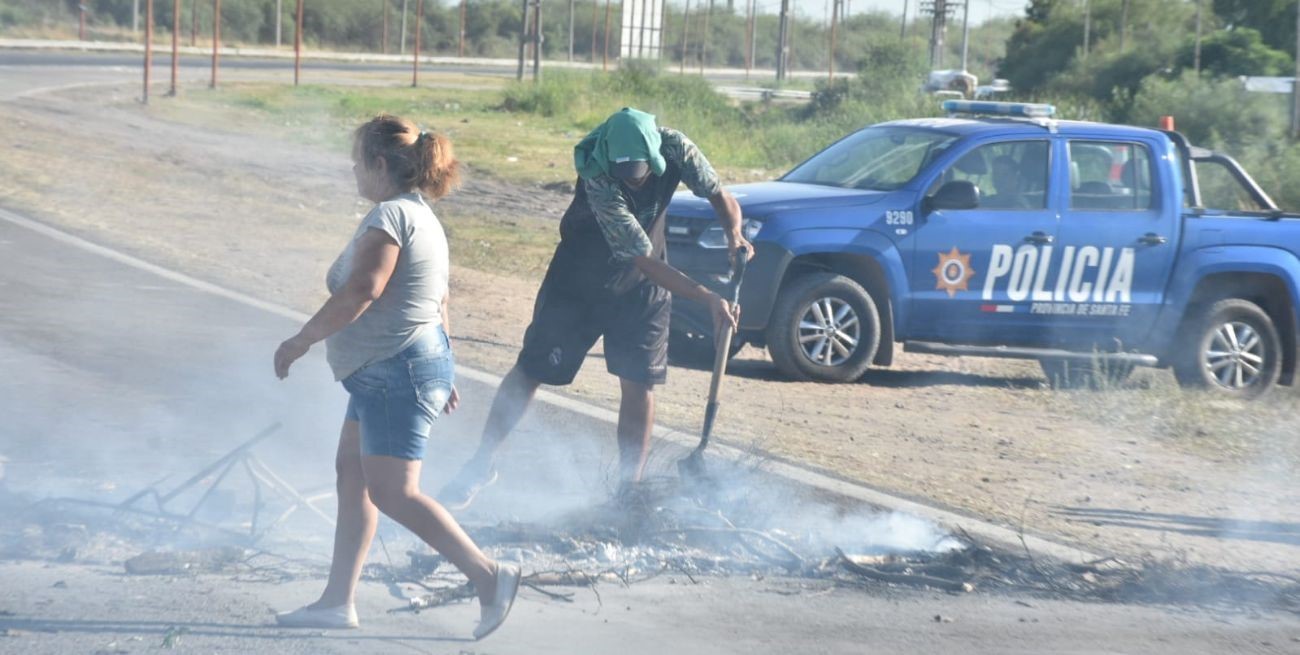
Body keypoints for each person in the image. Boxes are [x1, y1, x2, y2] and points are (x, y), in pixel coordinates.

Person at [272, 114, 519, 640]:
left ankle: (490, 578)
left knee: (394, 492)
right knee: (352, 475)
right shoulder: (420, 215)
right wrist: (442, 367)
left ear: (379, 164)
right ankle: (338, 602)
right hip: (390, 369)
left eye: (357, 161)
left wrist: (302, 340)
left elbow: (364, 289)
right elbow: (437, 298)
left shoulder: (391, 215)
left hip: (394, 369)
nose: (353, 171)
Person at [437, 107, 752, 509]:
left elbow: (719, 195)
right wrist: (707, 297)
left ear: (655, 153)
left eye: (638, 172)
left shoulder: (676, 147)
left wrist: (734, 234)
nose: (631, 180)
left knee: (640, 384)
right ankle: (481, 463)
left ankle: (627, 491)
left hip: (642, 292)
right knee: (532, 370)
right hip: (579, 284)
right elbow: (643, 259)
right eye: (624, 171)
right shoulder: (598, 178)